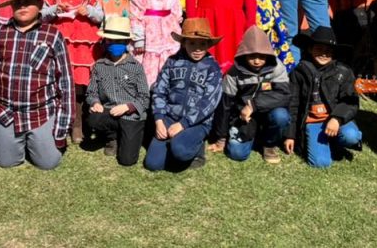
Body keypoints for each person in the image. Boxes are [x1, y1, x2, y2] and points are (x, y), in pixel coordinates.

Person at [0, 0, 75, 171]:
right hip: (6, 112)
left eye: (29, 1)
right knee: (5, 162)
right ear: (11, 6)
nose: (23, 6)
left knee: (48, 162)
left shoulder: (53, 36)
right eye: (17, 2)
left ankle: (39, 140)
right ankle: (14, 142)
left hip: (40, 112)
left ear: (40, 4)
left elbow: (66, 83)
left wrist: (62, 127)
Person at [144, 18, 223, 172]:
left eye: (202, 44)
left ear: (208, 45)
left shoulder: (212, 68)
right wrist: (159, 119)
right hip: (169, 117)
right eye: (192, 43)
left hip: (197, 122)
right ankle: (175, 143)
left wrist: (183, 124)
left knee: (180, 151)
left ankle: (197, 148)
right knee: (153, 164)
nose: (198, 49)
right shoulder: (172, 62)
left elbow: (209, 102)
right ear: (184, 42)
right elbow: (159, 90)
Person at [42, 0, 103, 143]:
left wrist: (90, 11)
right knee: (60, 82)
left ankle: (78, 124)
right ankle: (60, 121)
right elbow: (42, 16)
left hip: (84, 43)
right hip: (61, 40)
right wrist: (55, 9)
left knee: (79, 85)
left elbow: (102, 16)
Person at [284, 26, 362, 168]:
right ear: (309, 49)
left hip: (335, 119)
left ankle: (336, 141)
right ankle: (323, 143)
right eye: (319, 49)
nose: (324, 54)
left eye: (328, 51)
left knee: (351, 136)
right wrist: (290, 135)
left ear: (334, 53)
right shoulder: (299, 72)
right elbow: (293, 104)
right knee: (321, 163)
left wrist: (337, 118)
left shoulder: (344, 72)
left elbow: (351, 101)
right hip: (313, 122)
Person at [211, 27, 290, 164]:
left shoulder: (277, 67)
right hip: (243, 118)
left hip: (269, 113)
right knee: (237, 154)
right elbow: (225, 106)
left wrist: (253, 105)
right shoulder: (233, 73)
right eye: (252, 56)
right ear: (244, 54)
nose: (257, 61)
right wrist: (221, 137)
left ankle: (269, 145)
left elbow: (284, 95)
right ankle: (252, 137)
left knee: (281, 115)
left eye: (262, 56)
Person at [85, 16, 150, 166]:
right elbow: (91, 92)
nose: (115, 44)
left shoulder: (136, 67)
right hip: (110, 111)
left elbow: (145, 97)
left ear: (127, 43)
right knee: (94, 118)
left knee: (127, 160)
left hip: (131, 114)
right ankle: (112, 137)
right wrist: (95, 103)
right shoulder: (99, 66)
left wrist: (128, 107)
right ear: (105, 41)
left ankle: (131, 136)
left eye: (119, 41)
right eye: (111, 40)